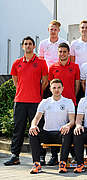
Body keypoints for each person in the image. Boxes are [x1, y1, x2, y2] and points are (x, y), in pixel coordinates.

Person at [4, 36, 48, 166]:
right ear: (23, 46)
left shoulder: (41, 62)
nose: (28, 46)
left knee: (37, 129)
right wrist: (22, 91)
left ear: (34, 46)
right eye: (26, 44)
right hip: (20, 101)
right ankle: (15, 156)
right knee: (18, 129)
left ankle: (40, 156)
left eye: (30, 44)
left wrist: (36, 91)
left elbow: (45, 81)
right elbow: (15, 80)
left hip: (36, 102)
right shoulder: (17, 63)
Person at [29, 79, 74, 174]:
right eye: (54, 87)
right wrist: (33, 125)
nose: (56, 90)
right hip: (47, 134)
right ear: (50, 89)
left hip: (60, 133)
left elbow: (72, 120)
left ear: (62, 89)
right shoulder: (45, 102)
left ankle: (62, 163)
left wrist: (68, 125)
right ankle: (36, 164)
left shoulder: (68, 102)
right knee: (32, 132)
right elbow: (36, 118)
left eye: (59, 87)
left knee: (68, 132)